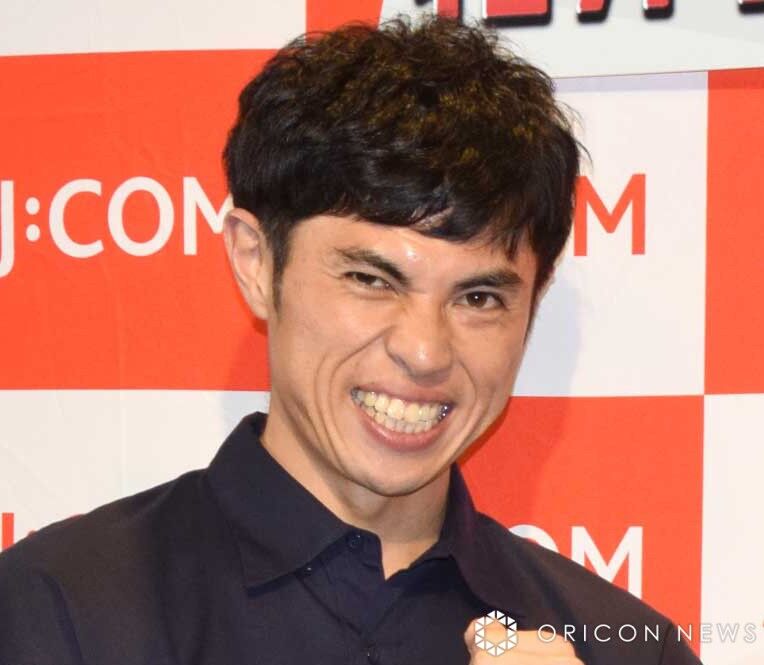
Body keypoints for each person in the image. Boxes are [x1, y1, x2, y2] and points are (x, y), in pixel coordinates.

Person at [0, 16, 701, 665]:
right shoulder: (61, 612)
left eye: (478, 298)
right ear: (256, 263)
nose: (424, 352)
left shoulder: (628, 649)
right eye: (371, 280)